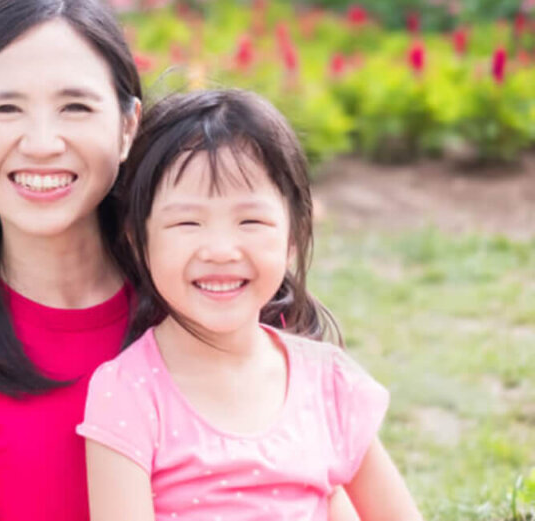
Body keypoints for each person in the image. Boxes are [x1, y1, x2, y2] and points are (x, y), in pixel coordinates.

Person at [0, 0, 361, 521]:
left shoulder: (210, 289)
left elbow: (312, 485)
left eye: (75, 106)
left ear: (128, 126)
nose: (41, 142)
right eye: (6, 109)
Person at [78, 89, 422, 520]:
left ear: (293, 237)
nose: (221, 250)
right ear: (137, 238)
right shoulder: (127, 392)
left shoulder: (328, 382)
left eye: (251, 221)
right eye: (188, 222)